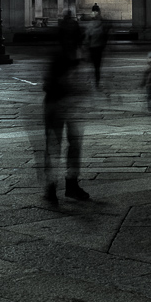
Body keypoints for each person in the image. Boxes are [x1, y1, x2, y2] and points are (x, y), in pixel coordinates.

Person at [42, 15, 91, 203]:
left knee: (59, 147)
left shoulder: (70, 52)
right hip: (62, 104)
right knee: (70, 146)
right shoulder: (68, 53)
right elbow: (49, 83)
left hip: (62, 105)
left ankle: (56, 186)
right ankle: (63, 186)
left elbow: (48, 84)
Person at [83, 4, 109, 90]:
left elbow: (87, 37)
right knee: (97, 66)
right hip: (99, 48)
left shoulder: (90, 26)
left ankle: (91, 78)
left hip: (92, 48)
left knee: (93, 64)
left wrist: (85, 47)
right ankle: (97, 81)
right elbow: (105, 37)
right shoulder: (101, 25)